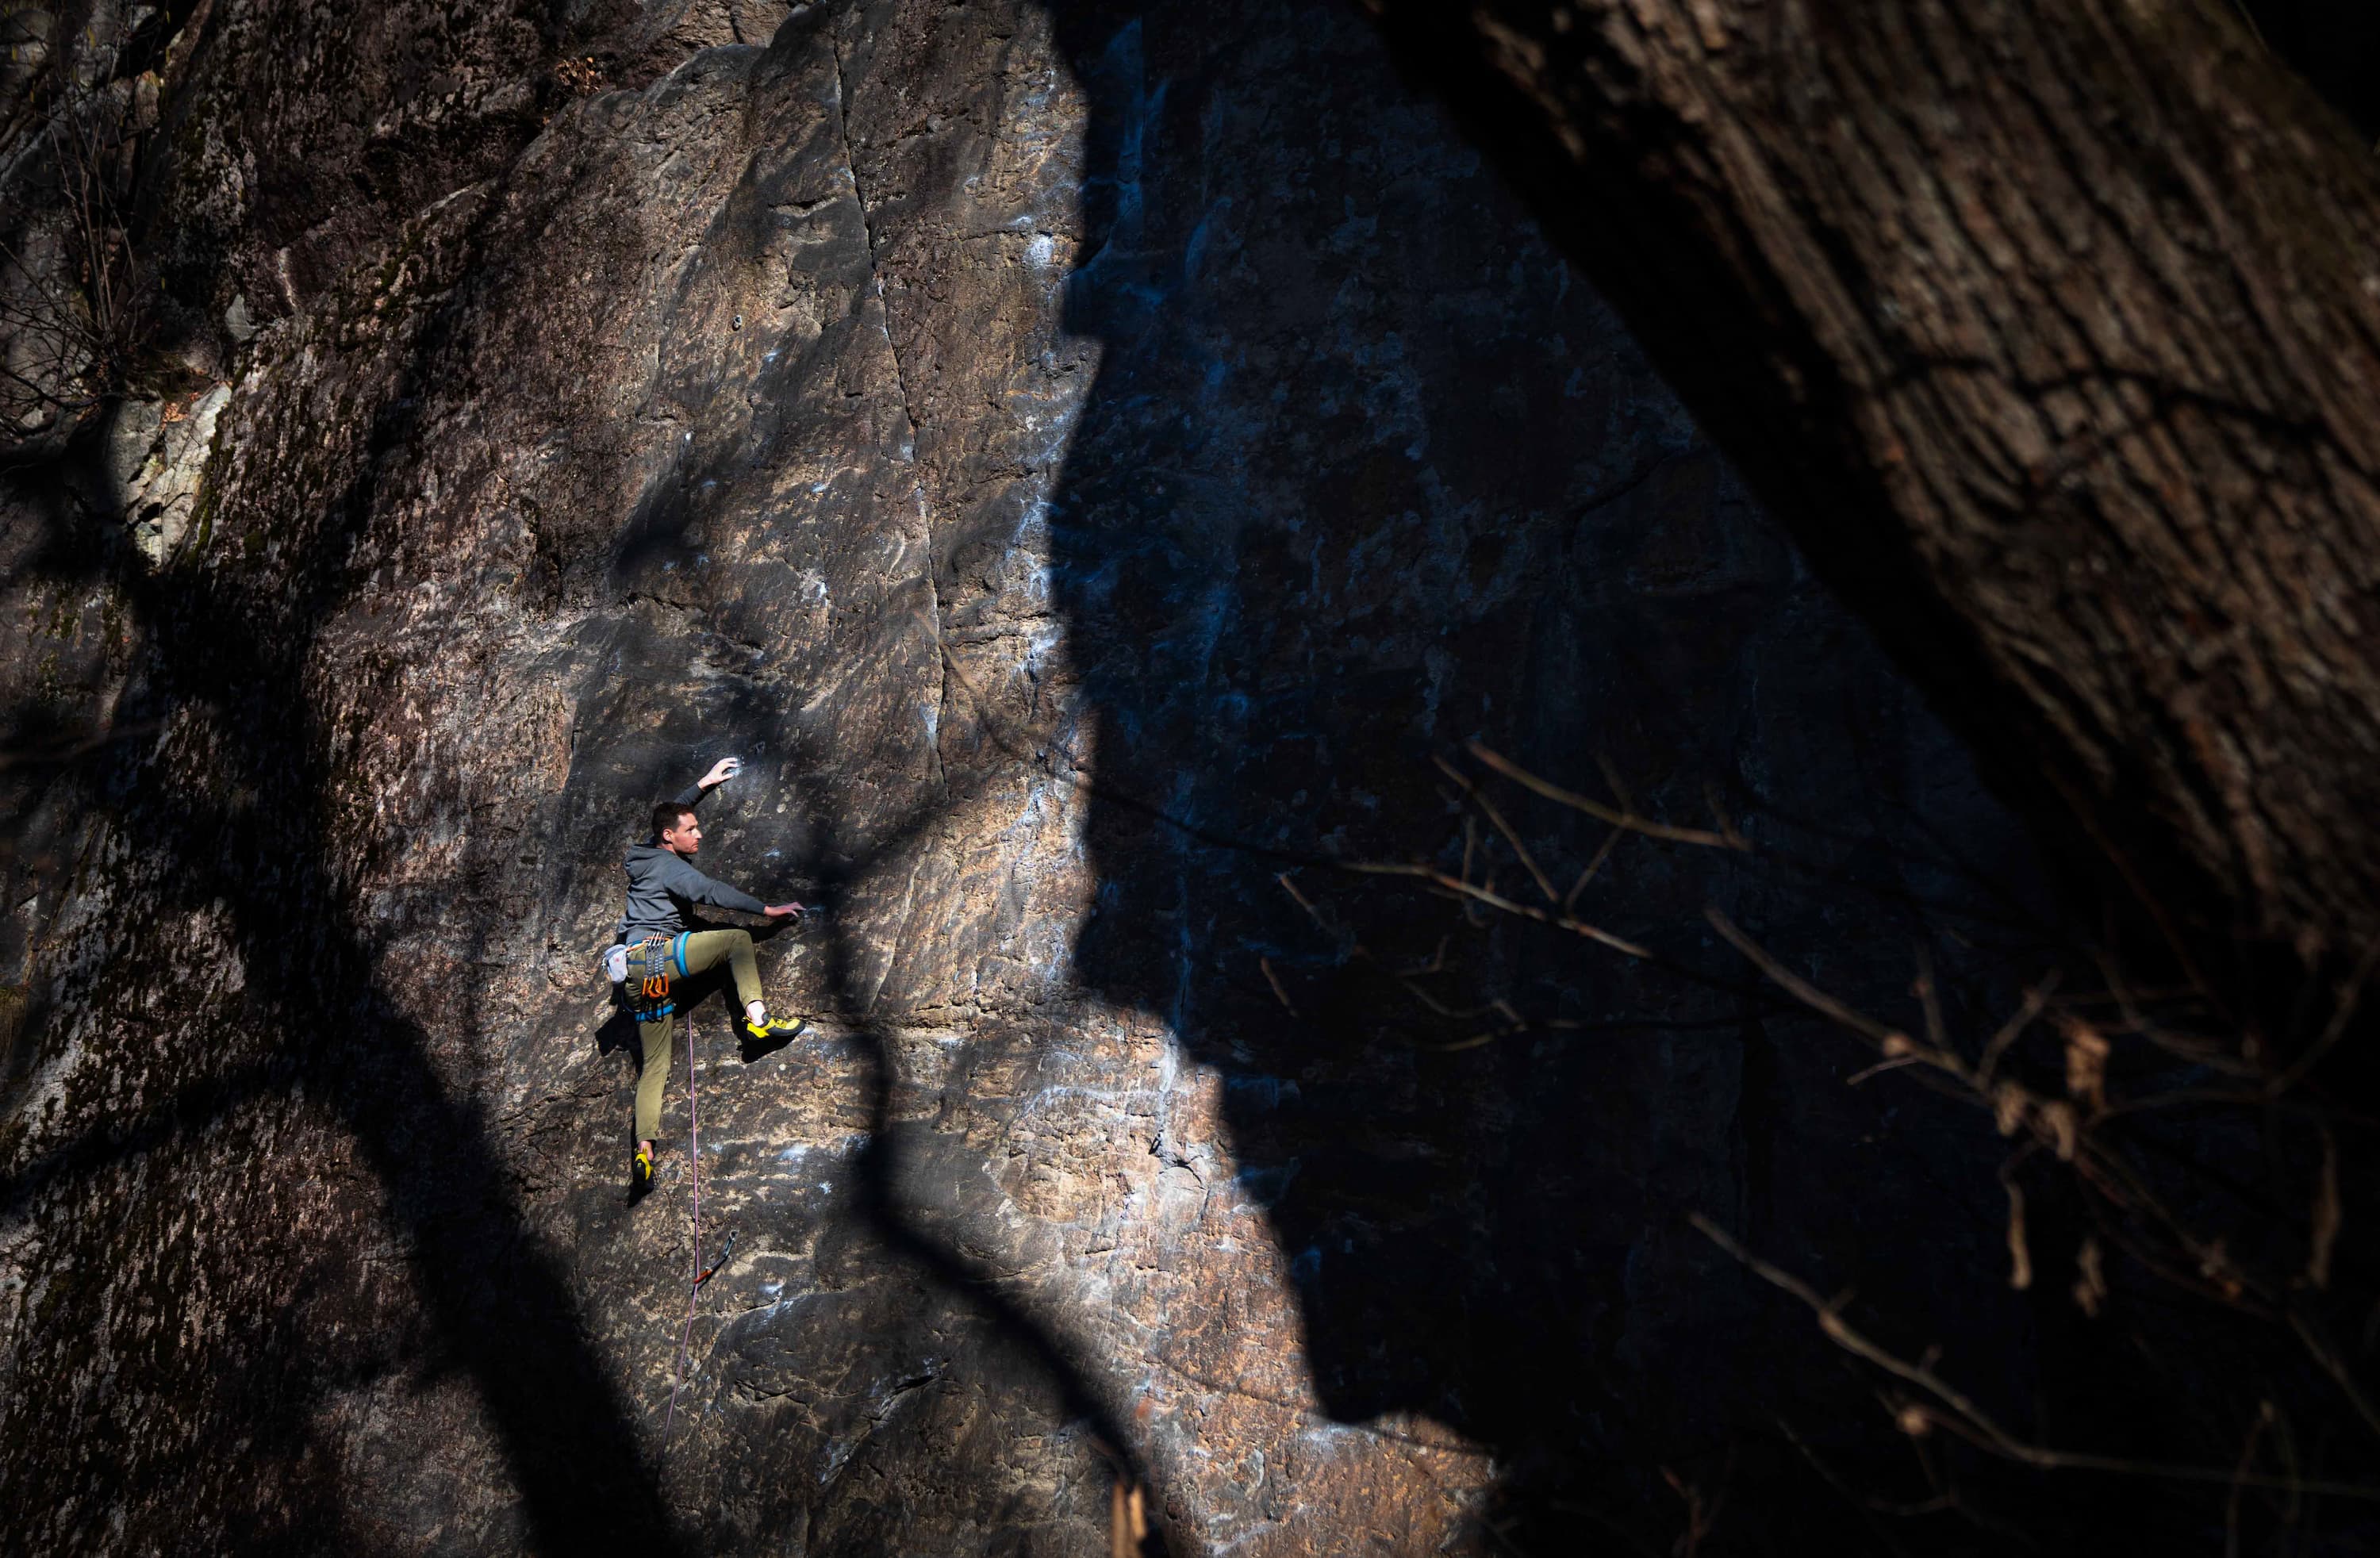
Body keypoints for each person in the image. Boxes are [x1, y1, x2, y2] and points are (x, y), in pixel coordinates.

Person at [612, 756, 806, 1192]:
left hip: (637, 977)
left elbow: (667, 815)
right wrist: (767, 909)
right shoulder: (674, 869)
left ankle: (644, 1152)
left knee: (655, 1068)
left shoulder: (642, 855)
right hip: (659, 958)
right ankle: (757, 1023)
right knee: (736, 940)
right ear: (671, 838)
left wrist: (704, 784)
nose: (699, 835)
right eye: (691, 831)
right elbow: (712, 892)